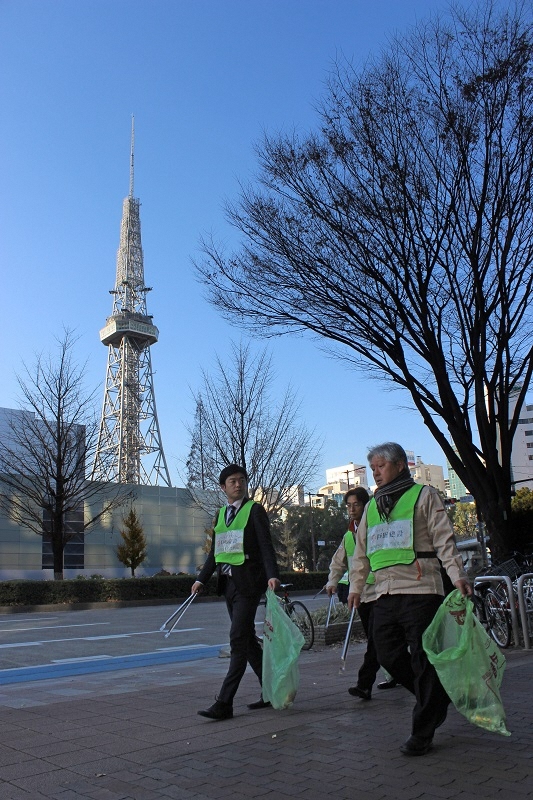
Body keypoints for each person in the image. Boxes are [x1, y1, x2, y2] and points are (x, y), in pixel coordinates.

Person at [348, 443, 471, 756]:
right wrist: (356, 587)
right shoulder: (372, 506)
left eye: (380, 466)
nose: (375, 472)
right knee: (387, 654)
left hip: (420, 587)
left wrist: (457, 575)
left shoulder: (424, 496)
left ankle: (422, 731)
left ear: (400, 465)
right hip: (384, 592)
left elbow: (444, 539)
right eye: (373, 468)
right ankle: (434, 698)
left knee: (422, 657)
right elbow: (362, 552)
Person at [191, 464, 281, 720]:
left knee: (238, 639)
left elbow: (266, 546)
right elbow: (216, 553)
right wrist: (201, 579)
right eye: (232, 481)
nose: (238, 484)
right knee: (248, 640)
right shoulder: (221, 514)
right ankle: (272, 689)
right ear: (223, 487)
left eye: (242, 480)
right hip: (228, 584)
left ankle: (224, 702)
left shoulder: (255, 510)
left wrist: (273, 575)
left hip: (249, 584)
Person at [326, 486, 397, 699]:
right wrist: (332, 581)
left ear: (366, 505)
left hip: (383, 591)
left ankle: (364, 684)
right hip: (362, 594)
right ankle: (396, 673)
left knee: (377, 640)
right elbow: (339, 561)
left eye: (356, 504)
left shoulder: (378, 527)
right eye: (348, 505)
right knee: (377, 640)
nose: (352, 509)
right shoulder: (348, 535)